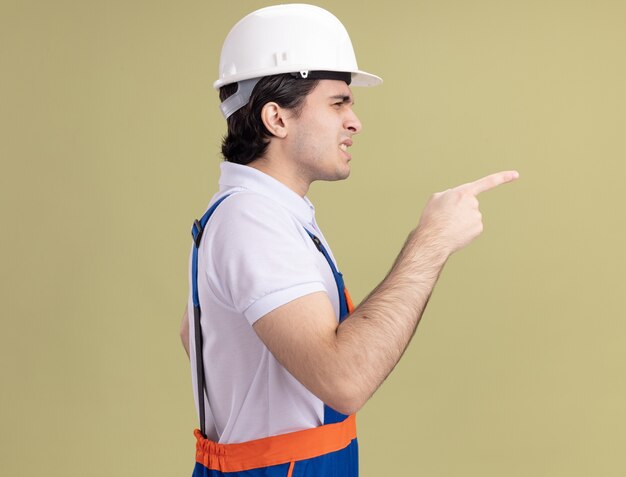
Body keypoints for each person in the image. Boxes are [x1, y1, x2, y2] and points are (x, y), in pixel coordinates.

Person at [180, 4, 518, 476]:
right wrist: (431, 242)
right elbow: (344, 380)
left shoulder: (267, 212)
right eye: (338, 102)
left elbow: (198, 334)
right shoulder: (253, 219)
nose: (354, 121)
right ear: (276, 118)